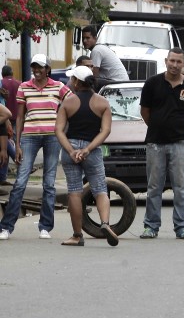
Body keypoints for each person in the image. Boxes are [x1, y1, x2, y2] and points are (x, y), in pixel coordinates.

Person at [0, 55, 71, 240]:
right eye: (34, 67)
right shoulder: (24, 87)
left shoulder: (58, 86)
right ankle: (6, 227)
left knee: (49, 183)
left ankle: (45, 226)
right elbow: (20, 117)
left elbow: (72, 104)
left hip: (52, 137)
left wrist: (62, 127)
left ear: (48, 68)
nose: (37, 70)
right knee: (20, 181)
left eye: (40, 67)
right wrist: (18, 143)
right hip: (30, 137)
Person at [139, 48, 184, 240]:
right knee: (154, 187)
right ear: (166, 61)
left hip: (180, 143)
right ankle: (151, 226)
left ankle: (182, 227)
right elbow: (145, 112)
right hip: (155, 143)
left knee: (181, 187)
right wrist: (159, 127)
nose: (174, 65)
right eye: (172, 61)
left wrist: (177, 128)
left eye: (179, 62)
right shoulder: (152, 84)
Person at [55, 65, 117, 247]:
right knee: (100, 189)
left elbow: (58, 130)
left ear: (75, 81)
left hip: (71, 149)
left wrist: (71, 150)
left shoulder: (67, 102)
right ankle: (105, 223)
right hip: (93, 150)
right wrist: (88, 149)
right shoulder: (102, 103)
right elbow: (105, 131)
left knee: (74, 192)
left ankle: (77, 235)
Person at [0, 66, 20, 186]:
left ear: (2, 74)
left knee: (6, 145)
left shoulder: (2, 83)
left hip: (5, 118)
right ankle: (20, 162)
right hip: (16, 118)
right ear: (12, 73)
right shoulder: (19, 84)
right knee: (10, 144)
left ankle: (20, 162)